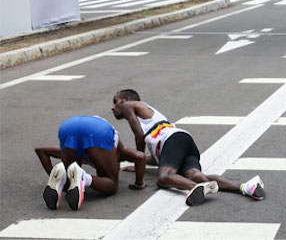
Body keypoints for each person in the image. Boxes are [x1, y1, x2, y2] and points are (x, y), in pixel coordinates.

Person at [111, 89, 265, 206]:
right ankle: (245, 187)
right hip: (182, 139)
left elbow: (139, 135)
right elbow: (159, 157)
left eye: (115, 101)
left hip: (171, 140)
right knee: (196, 175)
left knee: (164, 178)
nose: (113, 107)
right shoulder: (148, 117)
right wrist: (140, 163)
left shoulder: (128, 105)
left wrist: (139, 158)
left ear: (125, 99)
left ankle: (194, 187)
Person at [35, 115, 147, 211]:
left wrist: (51, 173)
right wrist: (139, 183)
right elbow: (140, 156)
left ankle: (62, 176)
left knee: (71, 176)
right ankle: (84, 177)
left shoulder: (100, 149)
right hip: (98, 131)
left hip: (68, 126)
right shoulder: (119, 151)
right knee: (112, 185)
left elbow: (41, 151)